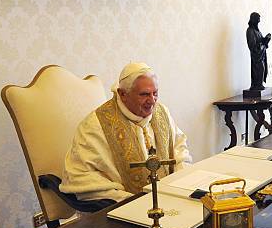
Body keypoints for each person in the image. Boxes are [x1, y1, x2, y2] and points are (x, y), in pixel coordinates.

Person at [60, 62, 192, 203]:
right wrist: (131, 201)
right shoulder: (96, 125)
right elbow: (80, 176)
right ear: (123, 94)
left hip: (170, 199)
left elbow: (180, 150)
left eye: (155, 93)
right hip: (124, 208)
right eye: (144, 94)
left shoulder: (162, 113)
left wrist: (179, 185)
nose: (152, 101)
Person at [246, 12, 271, 90]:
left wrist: (266, 39)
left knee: (262, 70)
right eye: (257, 20)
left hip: (261, 56)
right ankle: (256, 85)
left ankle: (259, 84)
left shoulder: (257, 31)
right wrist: (263, 43)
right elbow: (253, 47)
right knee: (259, 70)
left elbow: (261, 41)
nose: (258, 22)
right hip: (257, 57)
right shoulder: (250, 31)